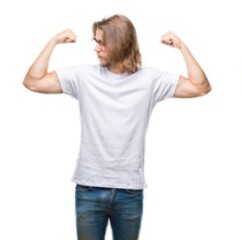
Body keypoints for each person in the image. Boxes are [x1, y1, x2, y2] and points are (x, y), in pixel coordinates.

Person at [22, 14, 212, 240]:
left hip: (129, 191)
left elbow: (201, 87)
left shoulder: (149, 80)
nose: (96, 48)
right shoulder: (83, 76)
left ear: (120, 43)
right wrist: (53, 41)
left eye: (102, 43)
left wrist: (182, 47)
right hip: (89, 188)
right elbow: (33, 81)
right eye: (96, 41)